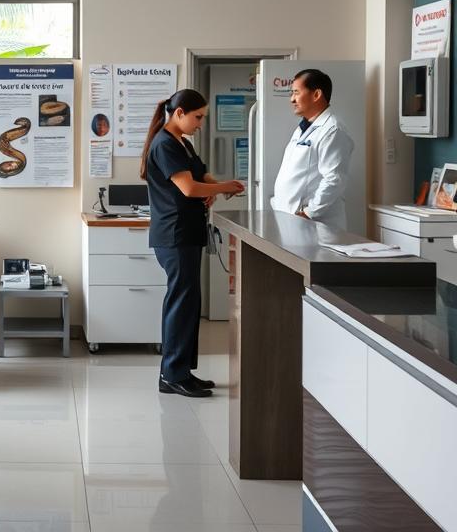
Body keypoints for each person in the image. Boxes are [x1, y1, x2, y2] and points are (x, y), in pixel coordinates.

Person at [140, 89, 245, 399]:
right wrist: (227, 186)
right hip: (175, 235)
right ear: (180, 113)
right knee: (181, 304)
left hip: (185, 234)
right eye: (197, 117)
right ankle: (172, 375)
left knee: (188, 305)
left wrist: (211, 186)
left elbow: (200, 175)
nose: (200, 123)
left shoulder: (181, 143)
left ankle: (181, 371)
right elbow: (187, 188)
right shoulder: (164, 144)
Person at [270, 68, 354, 229]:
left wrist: (310, 212)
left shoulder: (332, 130)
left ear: (316, 95)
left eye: (296, 92)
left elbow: (334, 179)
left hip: (313, 222)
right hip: (291, 219)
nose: (292, 99)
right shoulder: (303, 127)